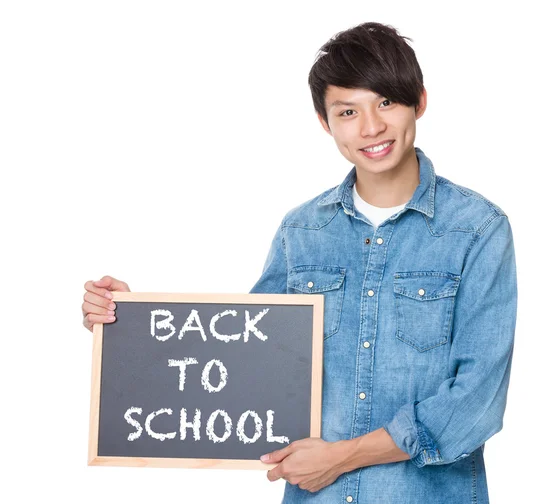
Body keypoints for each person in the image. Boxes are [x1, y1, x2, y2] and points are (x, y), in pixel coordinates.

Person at [82, 21, 518, 504]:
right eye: (348, 110)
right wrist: (128, 325)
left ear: (420, 100)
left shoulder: (477, 230)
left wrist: (343, 456)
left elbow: (475, 403)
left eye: (386, 103)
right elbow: (239, 359)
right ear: (324, 121)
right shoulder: (302, 233)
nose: (371, 127)